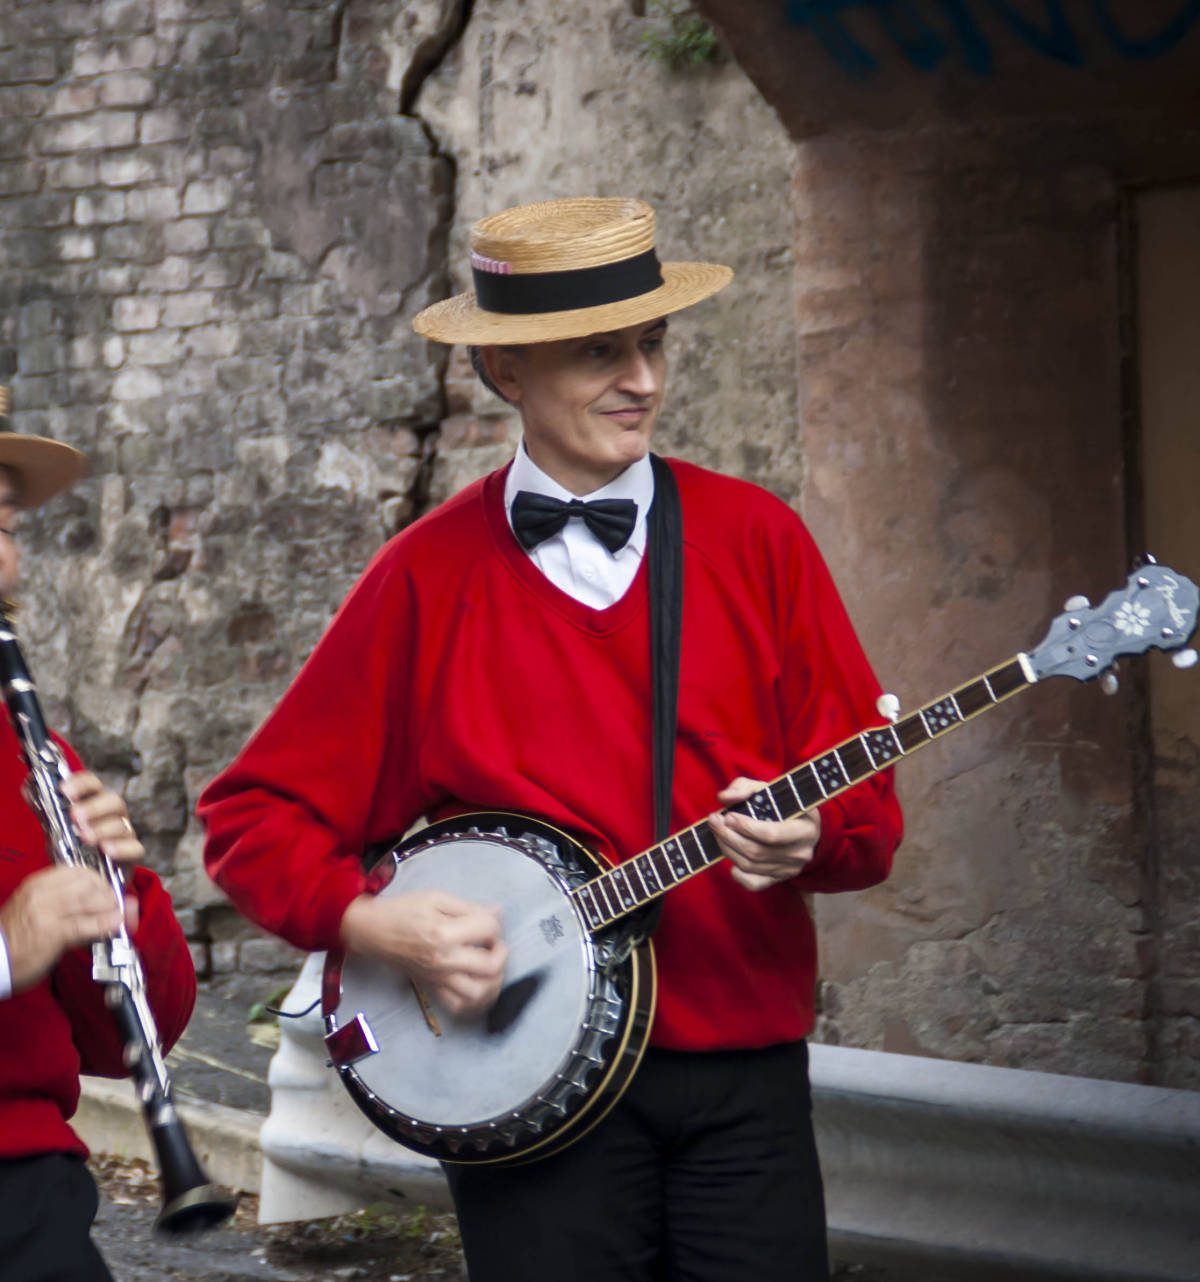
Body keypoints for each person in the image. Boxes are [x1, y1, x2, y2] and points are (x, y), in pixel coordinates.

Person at [200, 196, 902, 1280]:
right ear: (508, 372)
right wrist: (373, 922)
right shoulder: (425, 579)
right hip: (526, 1091)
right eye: (599, 353)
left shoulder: (759, 540)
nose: (645, 381)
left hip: (743, 1081)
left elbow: (867, 816)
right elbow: (253, 819)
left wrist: (811, 838)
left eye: (653, 342)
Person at [0, 421, 197, 1282]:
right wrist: (8, 950)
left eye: (3, 525)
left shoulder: (32, 748)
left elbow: (123, 1039)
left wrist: (123, 900)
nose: (1, 561)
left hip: (27, 1185)